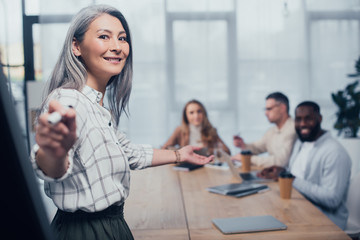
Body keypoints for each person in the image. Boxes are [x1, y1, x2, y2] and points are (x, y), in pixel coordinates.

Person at [29, 5, 213, 240]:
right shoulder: (68, 99)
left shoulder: (95, 105)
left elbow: (127, 152)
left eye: (122, 38)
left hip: (111, 225)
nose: (117, 46)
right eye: (104, 36)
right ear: (76, 46)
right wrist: (53, 152)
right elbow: (52, 165)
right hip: (86, 231)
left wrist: (179, 155)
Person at [258, 101, 351, 230]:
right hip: (297, 209)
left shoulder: (335, 152)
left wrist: (290, 178)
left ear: (320, 119)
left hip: (325, 222)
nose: (302, 124)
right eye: (298, 119)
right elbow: (298, 175)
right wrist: (282, 172)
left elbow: (332, 199)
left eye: (308, 119)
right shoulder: (301, 142)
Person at [231, 92, 297, 167]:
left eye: (269, 109)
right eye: (265, 109)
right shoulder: (272, 131)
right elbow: (257, 147)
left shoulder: (293, 129)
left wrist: (247, 159)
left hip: (286, 177)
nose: (266, 113)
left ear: (282, 108)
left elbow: (281, 161)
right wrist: (243, 144)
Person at [161, 99, 231, 155]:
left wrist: (212, 150)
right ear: (186, 116)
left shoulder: (211, 130)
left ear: (204, 113)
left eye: (199, 111)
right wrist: (178, 154)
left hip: (206, 166)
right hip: (186, 167)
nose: (196, 116)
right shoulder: (179, 130)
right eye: (191, 112)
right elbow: (164, 149)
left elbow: (227, 152)